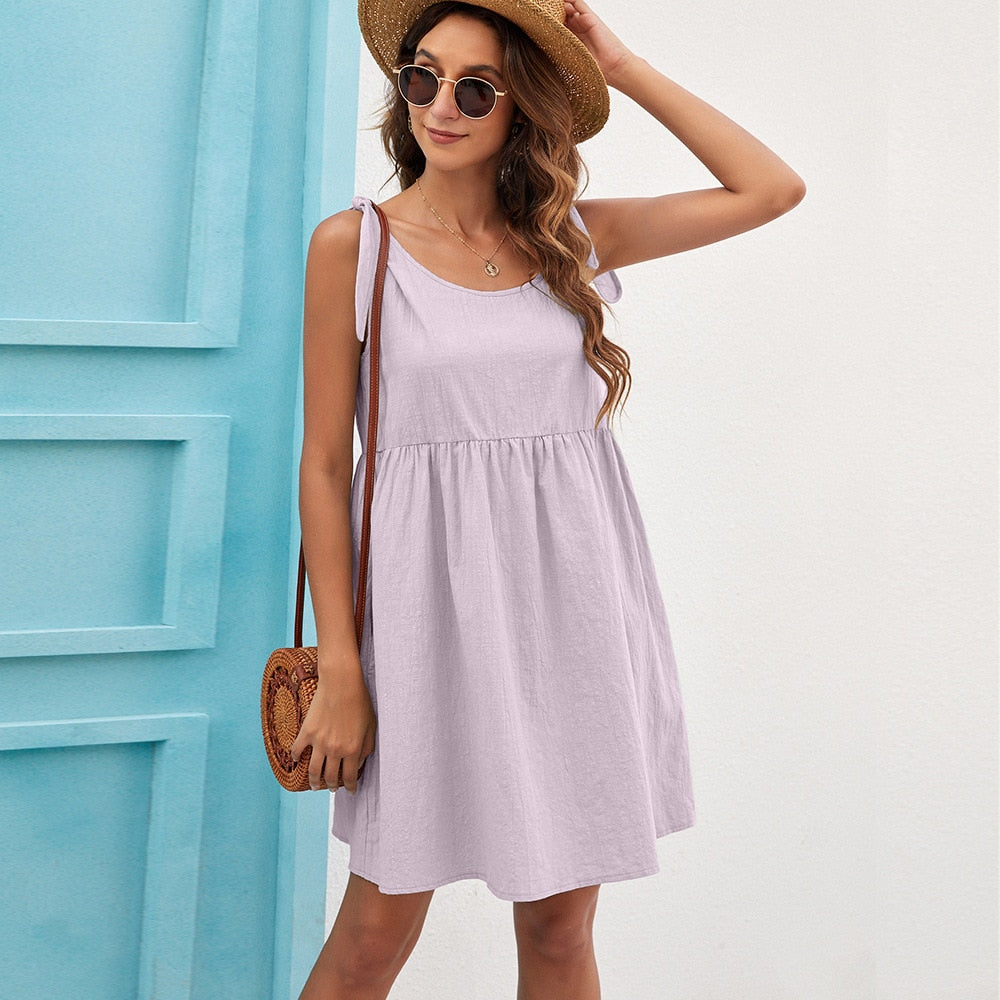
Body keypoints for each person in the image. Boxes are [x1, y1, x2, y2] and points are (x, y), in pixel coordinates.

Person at [292, 0, 804, 996]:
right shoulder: (354, 248)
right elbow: (323, 464)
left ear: (521, 107)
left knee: (562, 932)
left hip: (575, 616)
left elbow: (771, 188)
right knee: (373, 935)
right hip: (422, 621)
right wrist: (342, 665)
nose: (441, 106)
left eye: (476, 88)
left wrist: (622, 66)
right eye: (422, 76)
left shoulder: (574, 240)